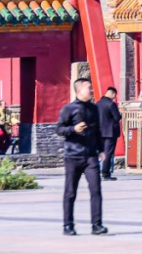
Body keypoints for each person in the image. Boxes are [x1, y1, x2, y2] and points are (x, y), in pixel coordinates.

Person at [57, 78, 106, 236]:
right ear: (79, 90)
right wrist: (74, 129)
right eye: (88, 88)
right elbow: (59, 129)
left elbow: (97, 130)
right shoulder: (68, 109)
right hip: (73, 156)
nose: (91, 90)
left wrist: (101, 149)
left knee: (96, 190)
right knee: (70, 192)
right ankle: (68, 225)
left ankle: (97, 225)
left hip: (91, 156)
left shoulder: (94, 108)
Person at [96, 86, 122, 181]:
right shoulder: (111, 104)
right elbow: (117, 117)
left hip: (100, 132)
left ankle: (98, 172)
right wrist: (120, 113)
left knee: (101, 152)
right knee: (108, 153)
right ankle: (105, 173)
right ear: (113, 94)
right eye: (114, 95)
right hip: (110, 133)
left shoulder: (97, 103)